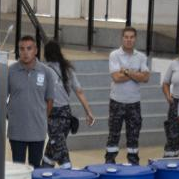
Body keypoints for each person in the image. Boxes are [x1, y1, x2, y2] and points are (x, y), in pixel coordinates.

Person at [43, 40, 96, 169]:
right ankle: (43, 172)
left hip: (52, 116)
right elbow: (79, 91)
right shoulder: (67, 69)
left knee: (61, 152)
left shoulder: (44, 70)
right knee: (52, 150)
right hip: (66, 116)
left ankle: (70, 178)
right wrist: (88, 112)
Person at [7, 35, 54, 168]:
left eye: (29, 48)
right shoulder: (11, 71)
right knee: (18, 169)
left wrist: (41, 117)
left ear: (36, 50)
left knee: (35, 168)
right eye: (22, 49)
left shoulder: (47, 73)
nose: (25, 52)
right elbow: (3, 97)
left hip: (37, 132)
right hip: (16, 132)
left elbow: (50, 101)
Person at [105, 27, 150, 165]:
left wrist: (126, 71)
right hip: (117, 101)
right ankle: (110, 161)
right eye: (126, 37)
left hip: (134, 103)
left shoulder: (141, 57)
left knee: (134, 135)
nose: (129, 40)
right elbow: (116, 78)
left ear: (135, 39)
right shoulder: (114, 55)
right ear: (122, 38)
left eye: (131, 37)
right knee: (114, 134)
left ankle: (133, 163)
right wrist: (136, 74)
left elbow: (146, 77)